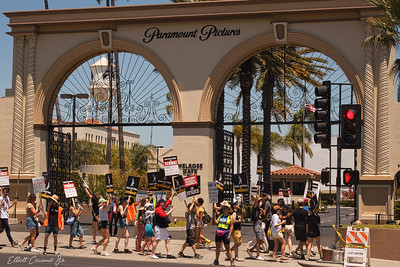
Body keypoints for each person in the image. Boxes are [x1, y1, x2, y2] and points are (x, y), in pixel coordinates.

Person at [151, 191, 177, 259]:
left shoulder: (163, 207)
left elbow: (169, 201)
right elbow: (163, 215)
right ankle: (153, 253)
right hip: (158, 227)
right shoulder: (158, 209)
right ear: (160, 203)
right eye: (163, 202)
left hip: (163, 227)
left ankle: (169, 253)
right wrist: (170, 211)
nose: (164, 203)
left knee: (167, 240)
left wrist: (172, 195)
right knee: (157, 240)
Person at [213, 200, 234, 266]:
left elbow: (231, 226)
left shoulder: (230, 217)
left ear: (228, 209)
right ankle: (216, 260)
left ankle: (231, 260)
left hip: (226, 232)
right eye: (223, 208)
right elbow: (216, 222)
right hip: (218, 232)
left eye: (225, 208)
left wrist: (229, 234)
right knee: (217, 247)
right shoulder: (221, 215)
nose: (224, 209)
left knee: (227, 248)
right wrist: (214, 217)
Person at [247, 195, 265, 260]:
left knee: (262, 240)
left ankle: (251, 250)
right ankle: (257, 255)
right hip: (257, 224)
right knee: (259, 240)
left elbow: (262, 201)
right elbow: (256, 201)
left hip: (259, 223)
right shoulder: (255, 207)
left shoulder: (258, 208)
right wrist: (257, 192)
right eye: (259, 200)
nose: (260, 201)